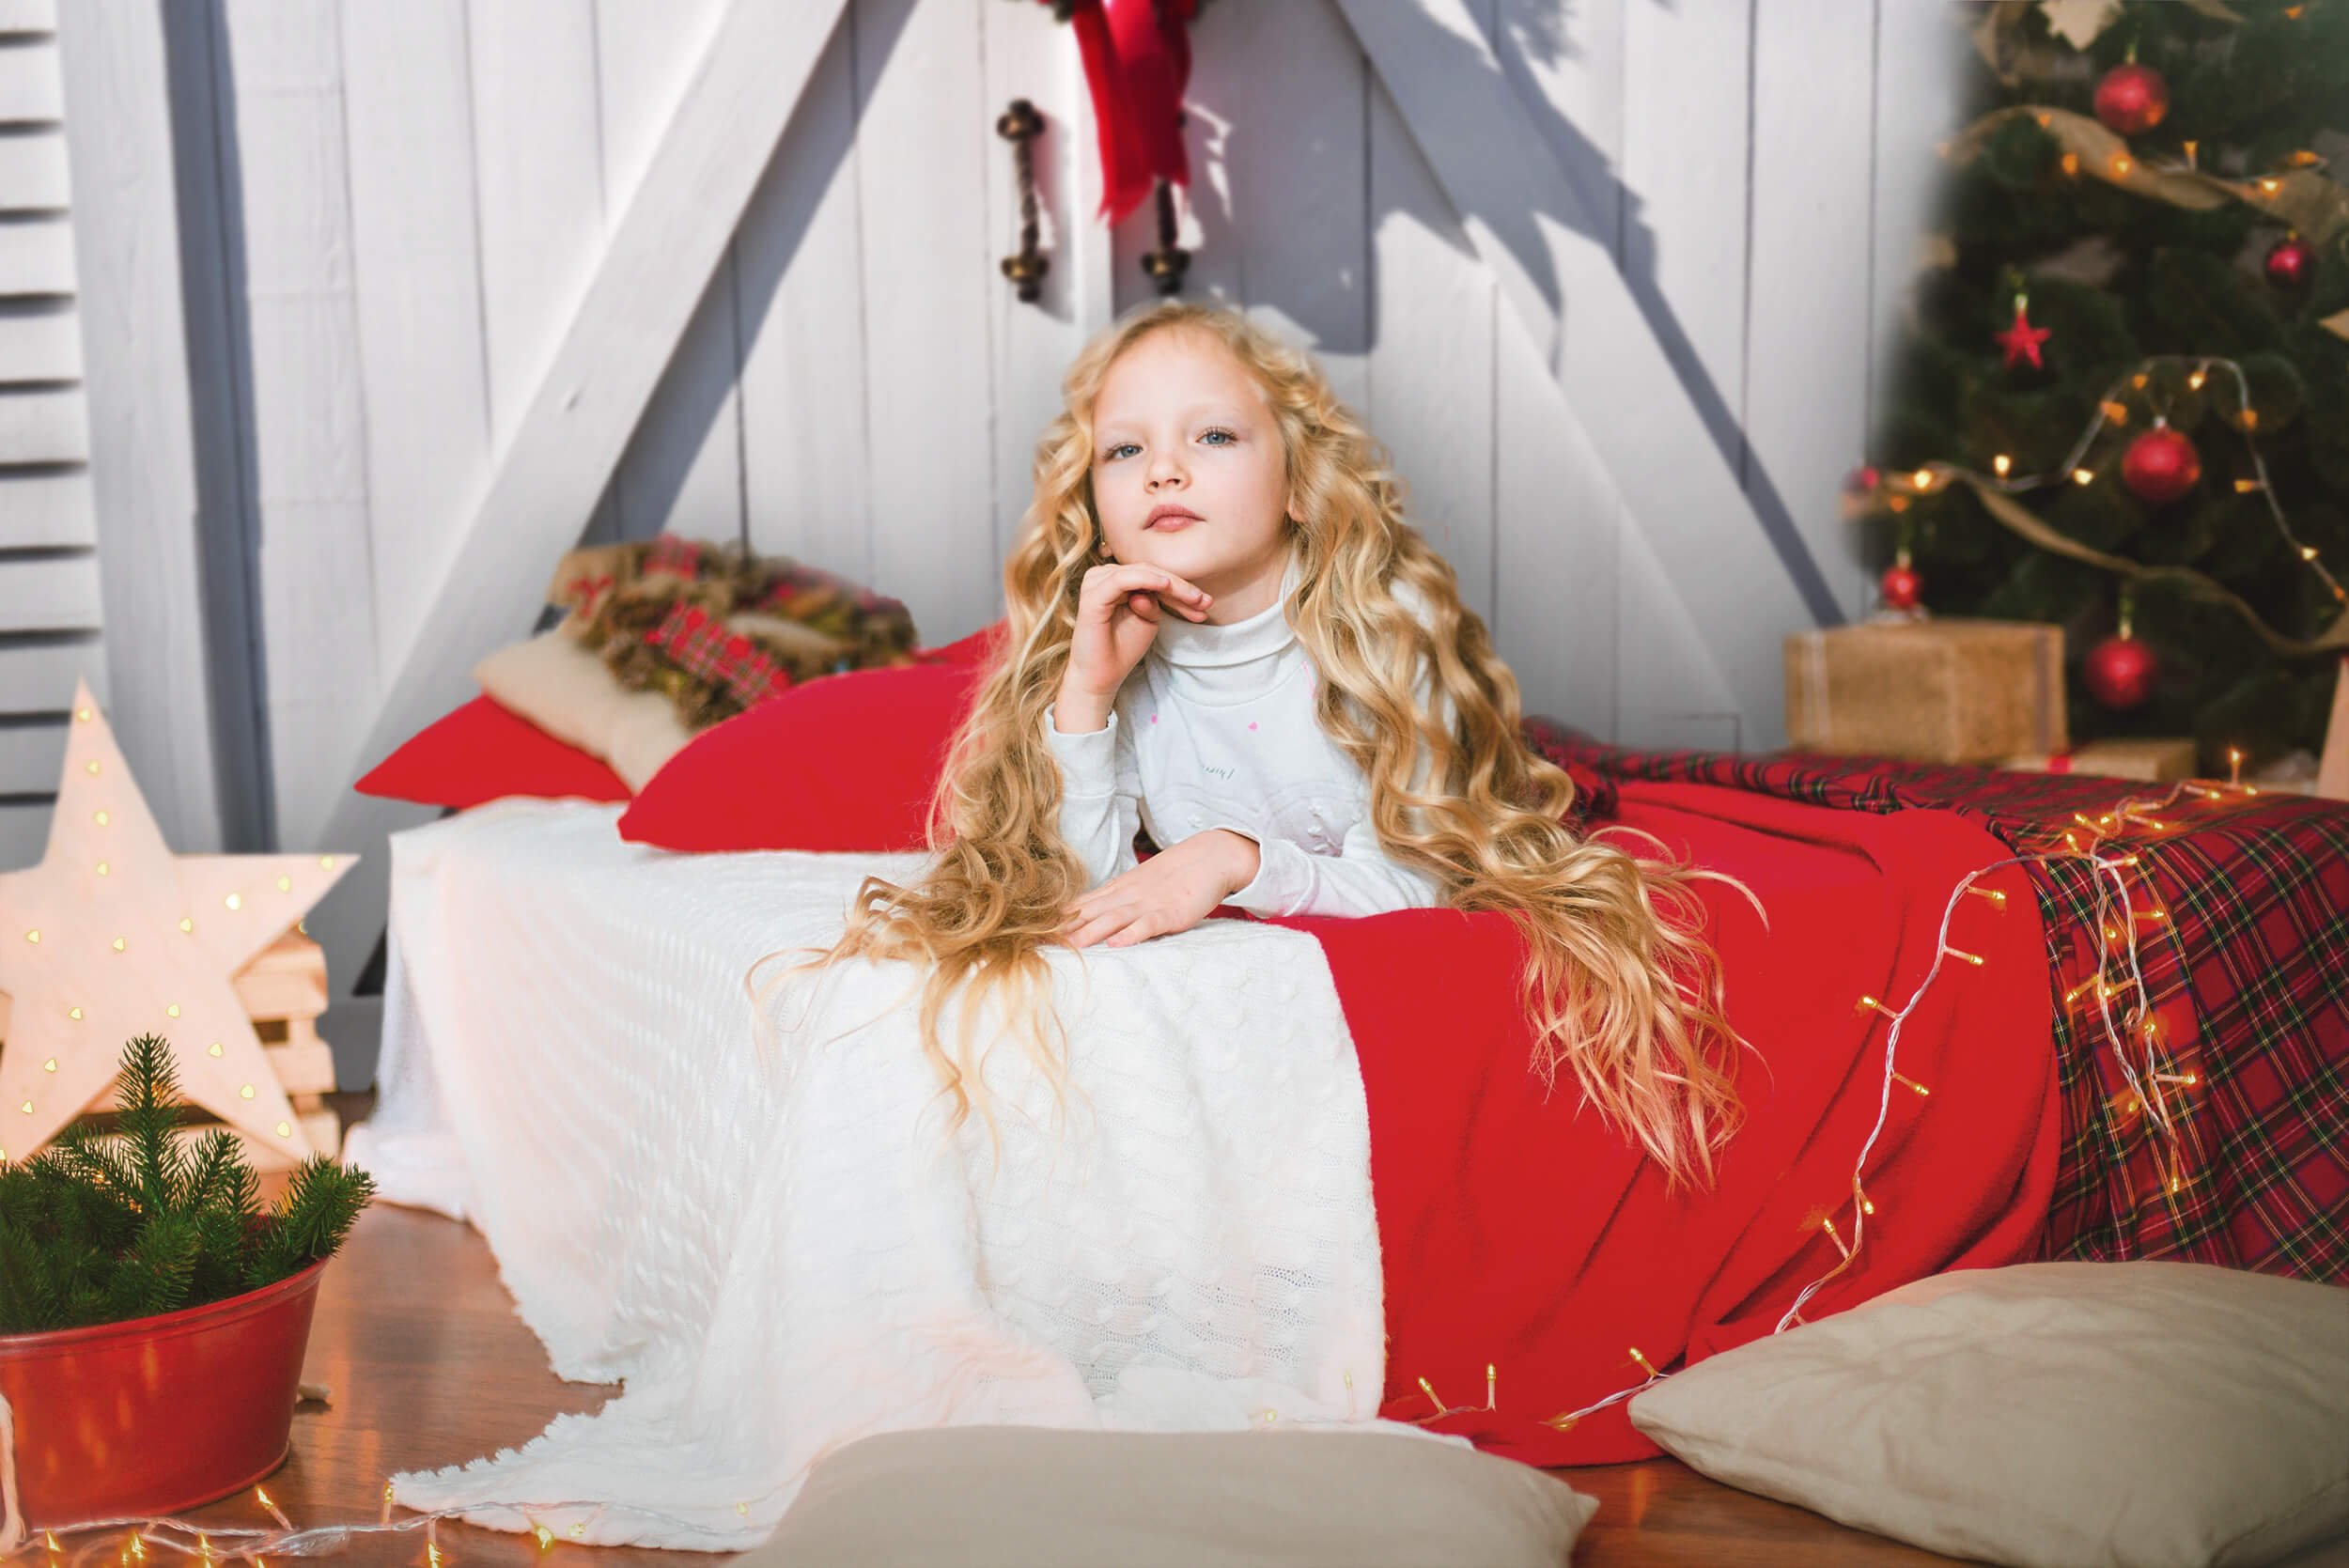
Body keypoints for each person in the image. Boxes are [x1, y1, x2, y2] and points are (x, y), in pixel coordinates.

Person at [798, 300, 1743, 1188]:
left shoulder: (1380, 633)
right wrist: (1086, 694)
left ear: (1296, 483)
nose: (1163, 468)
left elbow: (1426, 881)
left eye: (1211, 436)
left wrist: (1229, 859)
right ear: (1093, 501)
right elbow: (1084, 894)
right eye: (1125, 449)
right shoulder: (1113, 652)